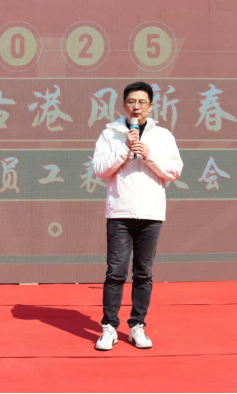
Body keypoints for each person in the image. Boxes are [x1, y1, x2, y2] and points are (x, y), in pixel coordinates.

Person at [92, 82, 184, 351]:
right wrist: (124, 149)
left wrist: (149, 155)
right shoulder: (110, 133)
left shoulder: (163, 136)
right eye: (132, 102)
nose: (136, 107)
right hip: (119, 213)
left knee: (143, 273)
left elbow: (174, 171)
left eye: (142, 102)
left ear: (151, 106)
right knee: (116, 273)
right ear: (124, 105)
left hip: (151, 214)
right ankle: (109, 327)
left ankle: (137, 326)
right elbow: (100, 169)